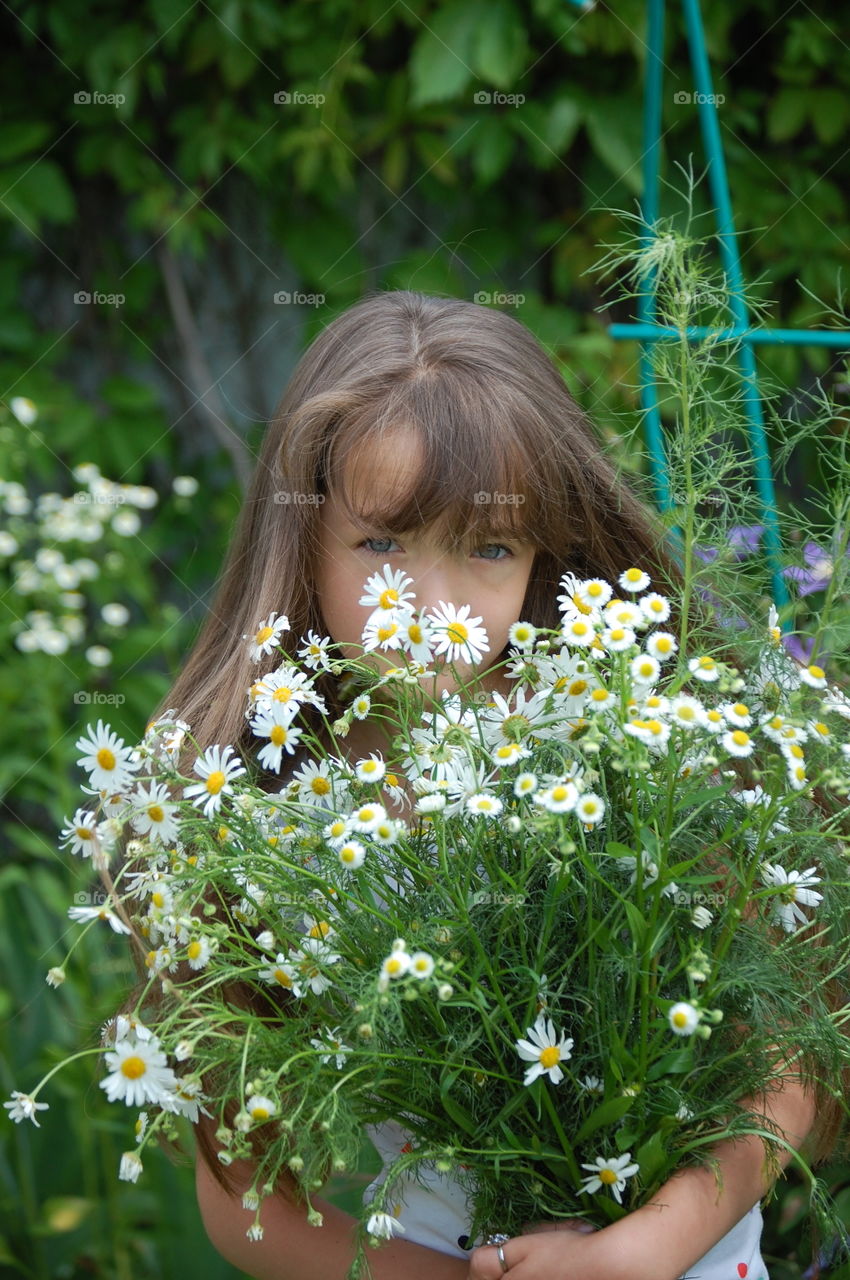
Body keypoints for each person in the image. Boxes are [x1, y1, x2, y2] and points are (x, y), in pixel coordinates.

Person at [151, 290, 834, 1279]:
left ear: (545, 554)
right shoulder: (262, 814)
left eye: (488, 547)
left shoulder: (633, 744)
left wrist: (641, 1248)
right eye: (383, 545)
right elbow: (245, 1203)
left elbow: (784, 1065)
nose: (428, 610)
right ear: (299, 539)